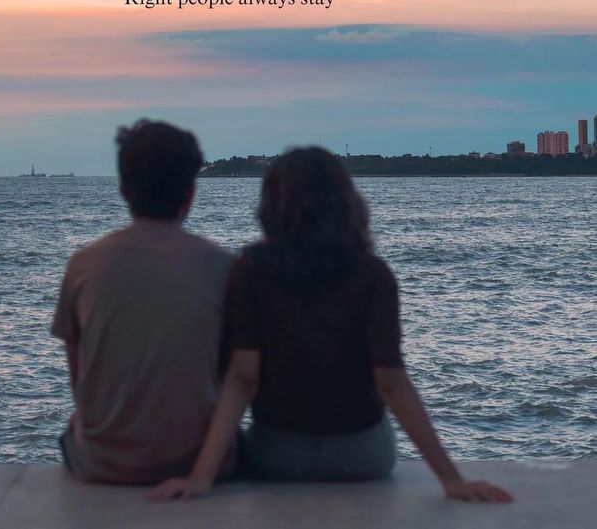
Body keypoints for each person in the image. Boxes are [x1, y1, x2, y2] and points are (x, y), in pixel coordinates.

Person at [150, 147, 513, 503]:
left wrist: (200, 478)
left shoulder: (251, 270)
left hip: (279, 456)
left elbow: (243, 378)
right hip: (363, 458)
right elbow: (390, 381)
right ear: (346, 203)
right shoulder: (373, 274)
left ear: (271, 206)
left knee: (243, 443)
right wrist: (451, 480)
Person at [51, 119, 235, 484]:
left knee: (73, 430)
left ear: (122, 189)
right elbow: (230, 374)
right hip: (196, 462)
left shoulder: (84, 264)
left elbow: (79, 377)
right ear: (190, 194)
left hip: (102, 463)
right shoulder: (224, 267)